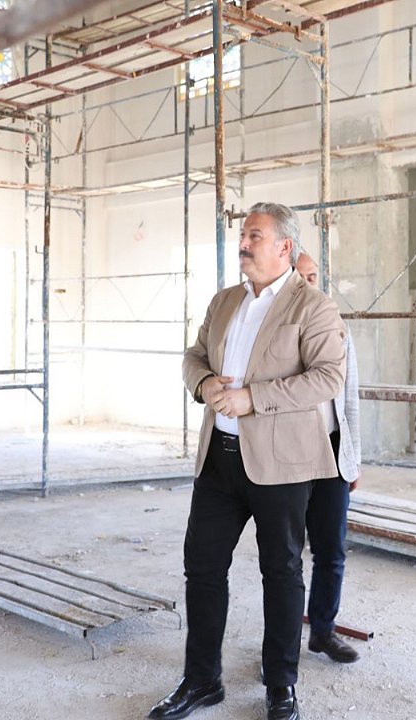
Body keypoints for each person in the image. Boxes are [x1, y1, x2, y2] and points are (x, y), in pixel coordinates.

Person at [150, 202, 346, 720]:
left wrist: (254, 398)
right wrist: (204, 383)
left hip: (281, 464)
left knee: (281, 572)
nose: (243, 243)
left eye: (254, 235)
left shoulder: (314, 307)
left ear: (285, 246)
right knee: (202, 567)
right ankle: (201, 681)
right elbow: (193, 357)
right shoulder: (224, 301)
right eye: (243, 234)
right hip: (219, 459)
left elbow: (328, 377)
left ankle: (281, 685)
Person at [293, 252, 362, 664]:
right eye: (300, 277)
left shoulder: (338, 325)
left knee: (332, 550)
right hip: (291, 453)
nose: (308, 284)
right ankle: (281, 645)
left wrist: (354, 456)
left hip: (334, 449)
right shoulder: (276, 327)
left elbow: (350, 396)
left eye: (313, 276)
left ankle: (323, 631)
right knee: (285, 558)